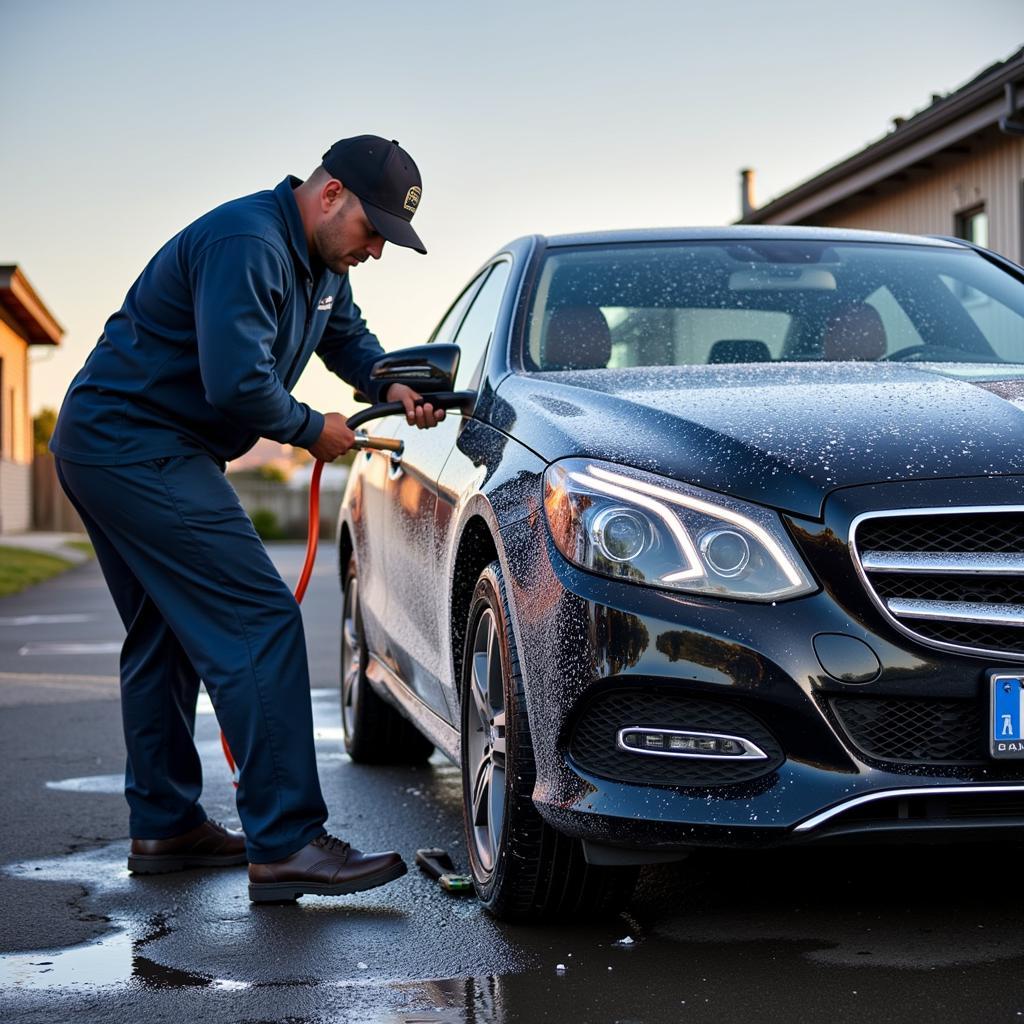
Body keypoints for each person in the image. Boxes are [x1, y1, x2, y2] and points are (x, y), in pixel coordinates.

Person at [50, 136, 444, 902]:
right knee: (258, 620)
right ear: (330, 194)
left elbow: (348, 342)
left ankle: (165, 825)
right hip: (134, 445)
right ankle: (289, 841)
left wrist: (391, 384)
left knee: (166, 634)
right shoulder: (248, 242)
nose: (377, 251)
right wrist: (309, 428)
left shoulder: (321, 266)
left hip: (125, 445)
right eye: (374, 231)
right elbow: (236, 383)